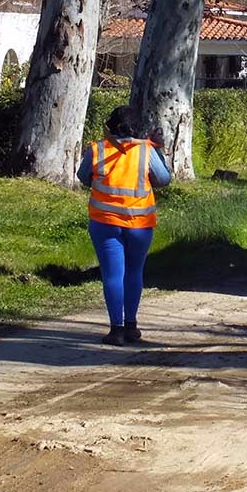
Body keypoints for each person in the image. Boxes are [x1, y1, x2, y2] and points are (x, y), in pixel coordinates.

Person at [77, 105, 171, 345]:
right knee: (134, 272)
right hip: (139, 222)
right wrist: (158, 150)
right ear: (138, 127)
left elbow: (83, 176)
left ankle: (116, 330)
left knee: (112, 274)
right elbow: (163, 180)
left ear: (110, 126)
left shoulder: (97, 149)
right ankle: (131, 325)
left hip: (104, 222)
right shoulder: (146, 150)